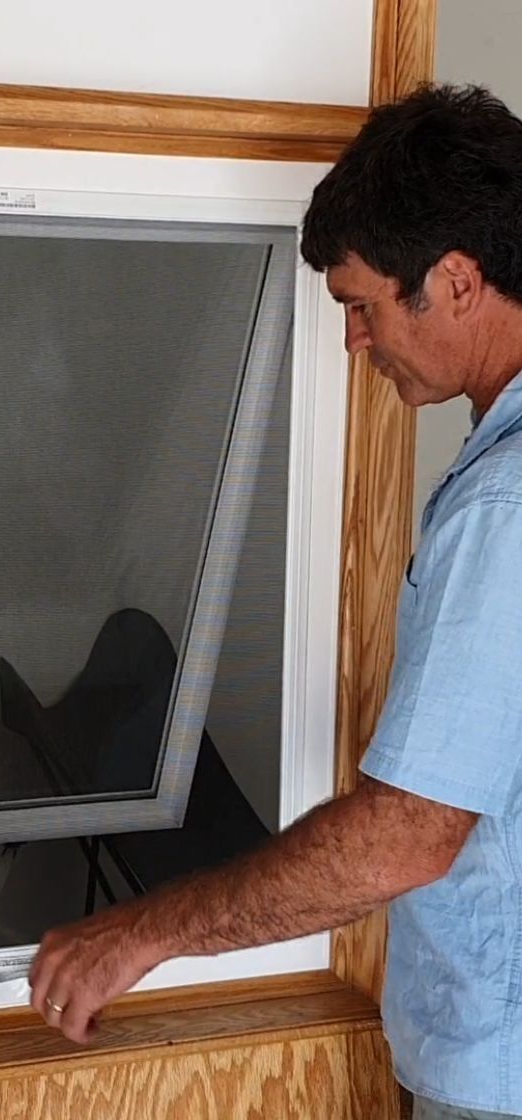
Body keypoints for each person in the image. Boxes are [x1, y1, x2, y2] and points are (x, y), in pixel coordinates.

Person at [29, 85, 522, 1119]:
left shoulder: (505, 508)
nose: (356, 341)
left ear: (459, 282)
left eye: (364, 306)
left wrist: (141, 931)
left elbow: (406, 834)